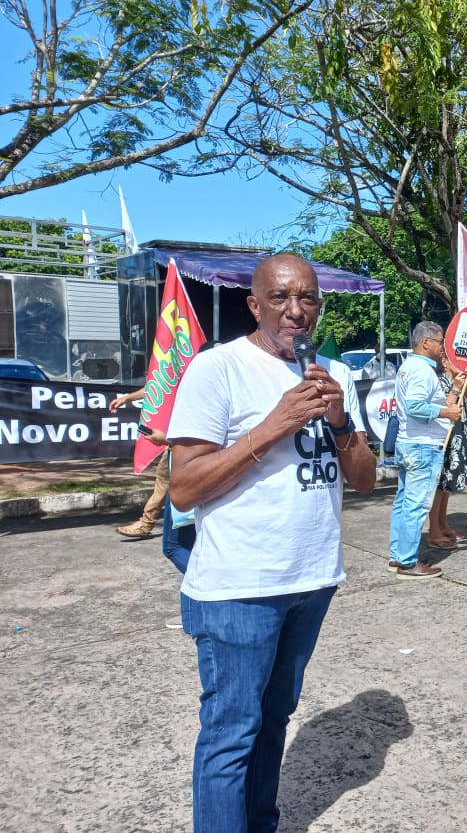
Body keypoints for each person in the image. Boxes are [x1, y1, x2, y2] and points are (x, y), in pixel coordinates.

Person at [167, 253, 377, 830]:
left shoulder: (334, 373)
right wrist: (273, 426)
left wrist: (340, 421)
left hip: (312, 581)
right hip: (239, 587)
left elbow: (364, 480)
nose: (295, 311)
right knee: (231, 734)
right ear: (254, 305)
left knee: (274, 719)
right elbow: (185, 487)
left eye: (306, 298)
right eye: (280, 298)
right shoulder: (218, 368)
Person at [388, 321, 467, 578]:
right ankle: (407, 562)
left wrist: (456, 388)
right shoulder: (421, 370)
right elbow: (415, 407)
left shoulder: (410, 367)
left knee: (404, 502)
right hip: (422, 445)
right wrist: (447, 413)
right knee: (416, 505)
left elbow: (431, 403)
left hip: (411, 442)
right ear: (426, 343)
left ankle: (397, 554)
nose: (443, 347)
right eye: (440, 342)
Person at [111, 385, 170, 539]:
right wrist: (127, 398)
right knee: (164, 479)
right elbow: (158, 384)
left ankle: (146, 523)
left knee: (167, 480)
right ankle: (146, 523)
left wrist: (168, 439)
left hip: (189, 439)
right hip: (179, 438)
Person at [428, 353, 467, 548]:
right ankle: (434, 530)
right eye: (456, 360)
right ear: (445, 361)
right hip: (443, 438)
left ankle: (442, 523)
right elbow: (442, 408)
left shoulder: (458, 380)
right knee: (439, 484)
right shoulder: (439, 381)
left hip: (457, 437)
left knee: (447, 484)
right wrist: (456, 387)